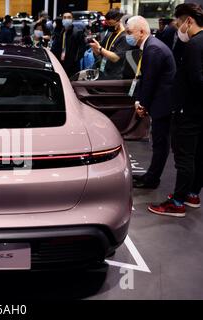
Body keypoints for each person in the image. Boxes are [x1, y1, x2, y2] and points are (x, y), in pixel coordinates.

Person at [149, 3, 203, 217]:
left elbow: (197, 79)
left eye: (179, 23)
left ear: (188, 21)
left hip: (188, 110)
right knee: (199, 154)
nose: (178, 27)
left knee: (185, 156)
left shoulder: (194, 45)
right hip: (198, 109)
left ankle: (178, 202)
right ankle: (191, 194)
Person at [124, 16, 176, 189]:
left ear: (141, 31)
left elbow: (150, 81)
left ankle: (153, 179)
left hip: (163, 103)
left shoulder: (153, 49)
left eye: (129, 32)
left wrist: (142, 105)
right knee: (159, 143)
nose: (127, 35)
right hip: (161, 101)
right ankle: (151, 176)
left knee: (160, 144)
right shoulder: (150, 46)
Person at [89, 9, 133, 80]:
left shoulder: (125, 37)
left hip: (115, 76)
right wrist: (96, 51)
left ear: (119, 21)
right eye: (107, 23)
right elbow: (102, 52)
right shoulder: (109, 34)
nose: (109, 26)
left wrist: (100, 48)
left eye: (111, 24)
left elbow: (115, 58)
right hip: (103, 71)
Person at [53, 12, 86, 76]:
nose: (66, 19)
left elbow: (82, 49)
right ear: (62, 20)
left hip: (72, 66)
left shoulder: (78, 32)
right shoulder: (61, 32)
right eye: (64, 18)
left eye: (69, 17)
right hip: (61, 63)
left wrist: (75, 60)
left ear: (72, 19)